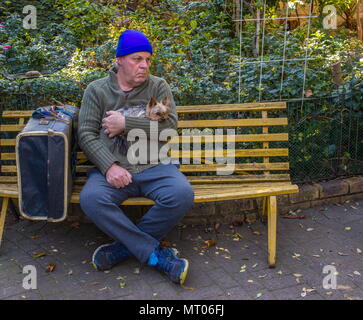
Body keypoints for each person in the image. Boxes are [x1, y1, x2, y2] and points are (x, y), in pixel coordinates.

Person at [78, 30, 194, 285]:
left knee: (182, 194)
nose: (144, 66)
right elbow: (85, 134)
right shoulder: (96, 91)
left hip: (154, 165)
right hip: (114, 169)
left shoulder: (157, 86)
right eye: (137, 59)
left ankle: (124, 249)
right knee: (92, 199)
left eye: (148, 60)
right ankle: (155, 256)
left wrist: (126, 123)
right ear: (120, 60)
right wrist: (109, 166)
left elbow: (167, 130)